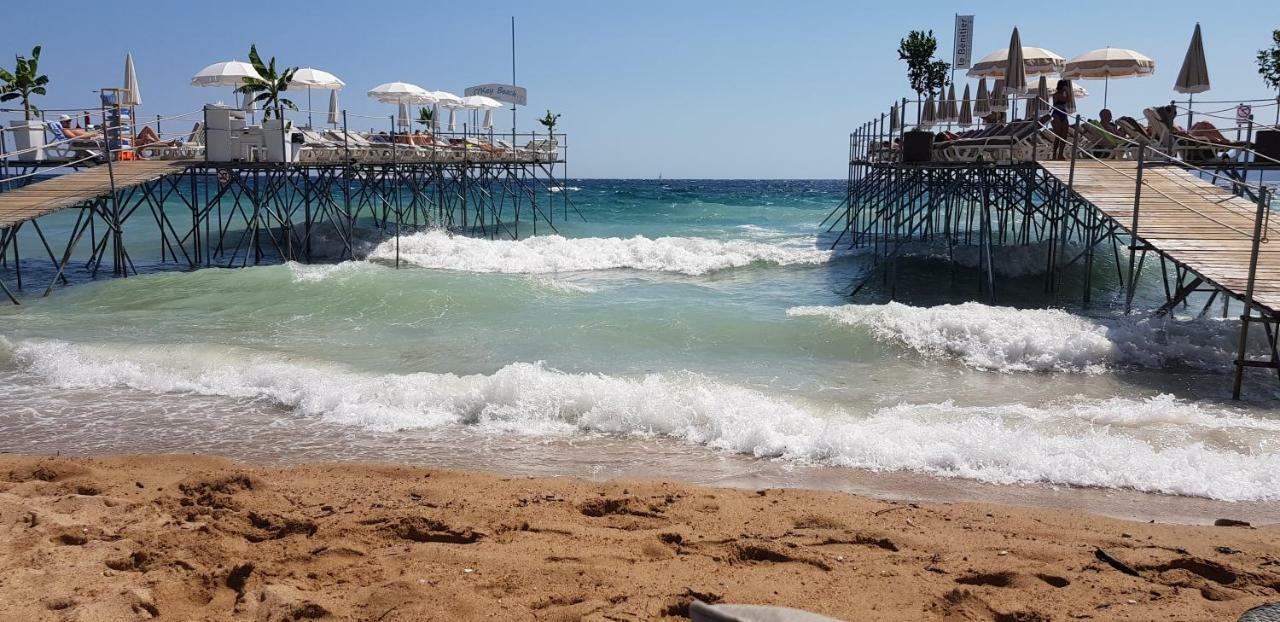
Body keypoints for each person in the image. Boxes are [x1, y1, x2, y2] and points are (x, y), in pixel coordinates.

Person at [1050, 80, 1071, 159]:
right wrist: (1067, 91)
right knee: (1058, 135)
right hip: (1056, 115)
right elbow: (1068, 100)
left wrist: (1066, 91)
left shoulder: (1063, 94)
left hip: (1064, 114)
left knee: (1064, 135)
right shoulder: (1056, 95)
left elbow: (1068, 101)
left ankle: (1060, 154)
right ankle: (1054, 154)